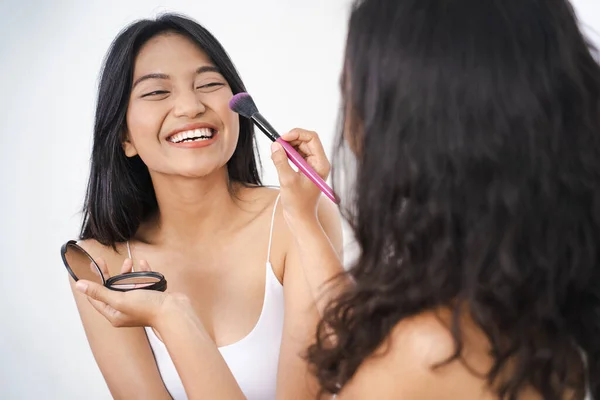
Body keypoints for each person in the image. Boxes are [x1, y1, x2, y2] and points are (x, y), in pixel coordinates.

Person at [76, 0, 600, 399]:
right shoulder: (521, 311)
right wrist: (306, 220)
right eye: (156, 92)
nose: (349, 121)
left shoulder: (426, 347)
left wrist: (174, 318)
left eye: (357, 91)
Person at [69, 13, 342, 400]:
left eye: (209, 84)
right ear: (124, 137)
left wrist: (172, 318)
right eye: (157, 92)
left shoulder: (297, 217)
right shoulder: (98, 264)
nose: (190, 105)